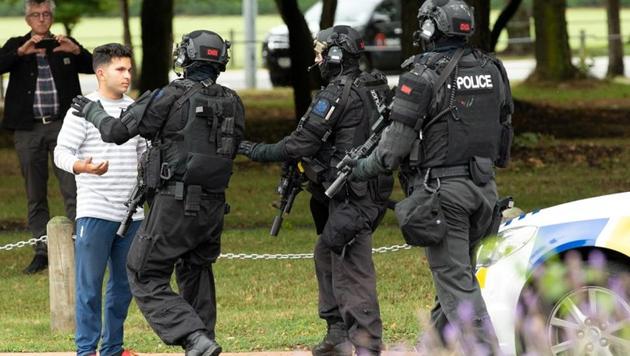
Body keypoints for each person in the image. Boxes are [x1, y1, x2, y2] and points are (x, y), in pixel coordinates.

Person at [350, 0, 514, 353]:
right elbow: (504, 127)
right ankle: (431, 347)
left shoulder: (421, 73)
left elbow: (392, 149)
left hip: (444, 195)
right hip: (485, 192)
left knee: (456, 284)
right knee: (457, 278)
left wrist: (361, 169)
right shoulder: (493, 68)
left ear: (430, 30)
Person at [71, 30, 244, 356]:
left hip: (174, 205)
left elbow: (117, 131)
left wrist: (91, 111)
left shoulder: (171, 95)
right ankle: (203, 342)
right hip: (213, 208)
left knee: (143, 272)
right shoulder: (233, 101)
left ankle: (192, 338)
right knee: (196, 272)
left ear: (184, 58)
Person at [238, 25, 393, 356]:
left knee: (353, 264)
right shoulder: (375, 85)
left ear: (336, 55)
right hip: (370, 190)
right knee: (327, 251)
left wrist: (252, 150)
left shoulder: (338, 92)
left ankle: (367, 343)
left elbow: (299, 143)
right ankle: (338, 333)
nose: (317, 59)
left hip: (354, 194)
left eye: (321, 52)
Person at [54, 43, 143, 356]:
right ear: (100, 72)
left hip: (133, 215)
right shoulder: (82, 110)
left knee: (123, 288)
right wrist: (83, 167)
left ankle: (113, 349)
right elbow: (61, 153)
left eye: (129, 69)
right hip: (95, 211)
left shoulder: (135, 109)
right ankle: (86, 350)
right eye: (120, 69)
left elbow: (144, 155)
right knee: (89, 288)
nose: (127, 75)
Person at [0, 0, 93, 274]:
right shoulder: (16, 44)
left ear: (51, 17)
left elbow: (93, 66)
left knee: (73, 188)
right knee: (35, 192)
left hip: (64, 127)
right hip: (28, 130)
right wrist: (19, 53)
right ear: (27, 19)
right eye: (35, 14)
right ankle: (42, 250)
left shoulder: (64, 42)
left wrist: (75, 50)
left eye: (46, 14)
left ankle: (81, 246)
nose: (41, 18)